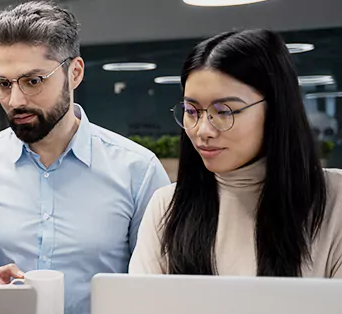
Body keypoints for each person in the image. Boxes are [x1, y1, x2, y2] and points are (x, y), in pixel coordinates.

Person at [0, 0, 170, 314]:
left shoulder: (138, 171)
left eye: (33, 81)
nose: (15, 100)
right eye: (3, 84)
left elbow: (163, 292)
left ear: (74, 72)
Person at [129, 29, 342, 278]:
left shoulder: (335, 201)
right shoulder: (167, 206)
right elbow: (144, 311)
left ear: (276, 110)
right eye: (191, 110)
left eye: (226, 111)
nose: (203, 130)